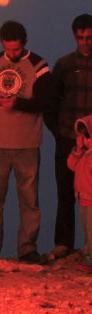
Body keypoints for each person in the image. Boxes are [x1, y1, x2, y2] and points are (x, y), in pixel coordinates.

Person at [0, 20, 53, 263]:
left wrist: (18, 103)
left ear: (24, 44)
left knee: (29, 200)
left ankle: (27, 249)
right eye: (8, 49)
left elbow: (46, 101)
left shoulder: (38, 65)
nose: (12, 54)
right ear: (2, 44)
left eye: (16, 50)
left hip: (27, 143)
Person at [47, 13, 92, 260]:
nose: (85, 42)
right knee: (65, 191)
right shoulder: (64, 65)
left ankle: (90, 247)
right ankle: (64, 243)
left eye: (89, 38)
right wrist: (58, 131)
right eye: (81, 37)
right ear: (74, 37)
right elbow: (51, 102)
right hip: (67, 138)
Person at [66, 116, 92, 273]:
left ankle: (90, 259)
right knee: (86, 230)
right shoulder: (83, 153)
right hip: (83, 197)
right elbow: (71, 165)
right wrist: (78, 150)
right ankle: (88, 257)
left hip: (90, 197)